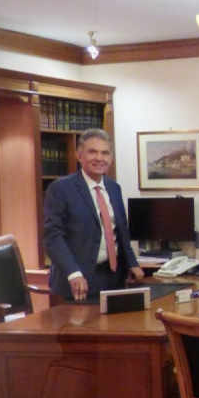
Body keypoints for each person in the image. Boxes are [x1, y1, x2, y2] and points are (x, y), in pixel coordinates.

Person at [43, 128, 144, 301]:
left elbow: (121, 231)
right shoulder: (60, 189)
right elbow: (53, 237)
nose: (99, 158)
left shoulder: (114, 188)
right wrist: (73, 273)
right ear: (79, 155)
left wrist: (132, 263)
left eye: (105, 153)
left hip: (114, 277)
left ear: (110, 158)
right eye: (92, 152)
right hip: (78, 280)